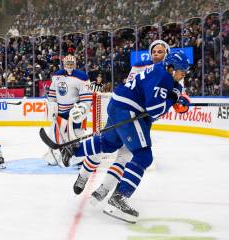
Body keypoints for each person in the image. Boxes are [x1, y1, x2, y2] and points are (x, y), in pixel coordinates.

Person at [60, 51, 191, 223]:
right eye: (182, 70)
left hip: (118, 104)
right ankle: (119, 198)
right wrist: (173, 99)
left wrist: (177, 94)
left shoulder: (161, 71)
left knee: (108, 143)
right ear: (172, 68)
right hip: (129, 110)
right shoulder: (163, 77)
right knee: (143, 155)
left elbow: (167, 92)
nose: (184, 74)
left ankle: (74, 149)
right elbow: (154, 109)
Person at [76, 40, 172, 206]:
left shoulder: (171, 72)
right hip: (126, 113)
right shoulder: (141, 66)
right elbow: (130, 87)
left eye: (161, 51)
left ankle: (104, 188)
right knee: (103, 145)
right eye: (154, 51)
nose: (157, 54)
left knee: (125, 156)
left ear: (167, 54)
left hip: (142, 121)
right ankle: (83, 176)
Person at [43, 55, 96, 166]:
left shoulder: (82, 77)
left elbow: (87, 98)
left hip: (74, 111)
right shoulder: (57, 75)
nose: (69, 66)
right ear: (64, 64)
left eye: (71, 64)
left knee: (76, 134)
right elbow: (53, 92)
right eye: (67, 64)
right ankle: (54, 155)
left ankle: (80, 157)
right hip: (60, 111)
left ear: (75, 64)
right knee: (55, 134)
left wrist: (82, 108)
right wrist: (52, 104)